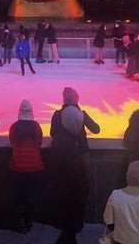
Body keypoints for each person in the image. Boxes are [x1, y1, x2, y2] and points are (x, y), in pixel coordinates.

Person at [49, 87, 100, 243]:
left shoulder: (57, 115)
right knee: (80, 187)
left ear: (64, 99)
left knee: (64, 187)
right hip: (81, 154)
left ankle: (64, 221)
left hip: (61, 155)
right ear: (77, 99)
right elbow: (96, 129)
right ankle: (77, 220)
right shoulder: (82, 114)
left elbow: (52, 133)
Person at [9, 100, 44, 233]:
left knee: (19, 195)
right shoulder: (36, 127)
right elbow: (39, 143)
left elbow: (12, 142)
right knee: (30, 194)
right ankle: (29, 220)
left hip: (17, 166)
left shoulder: (14, 127)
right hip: (35, 166)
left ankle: (21, 220)